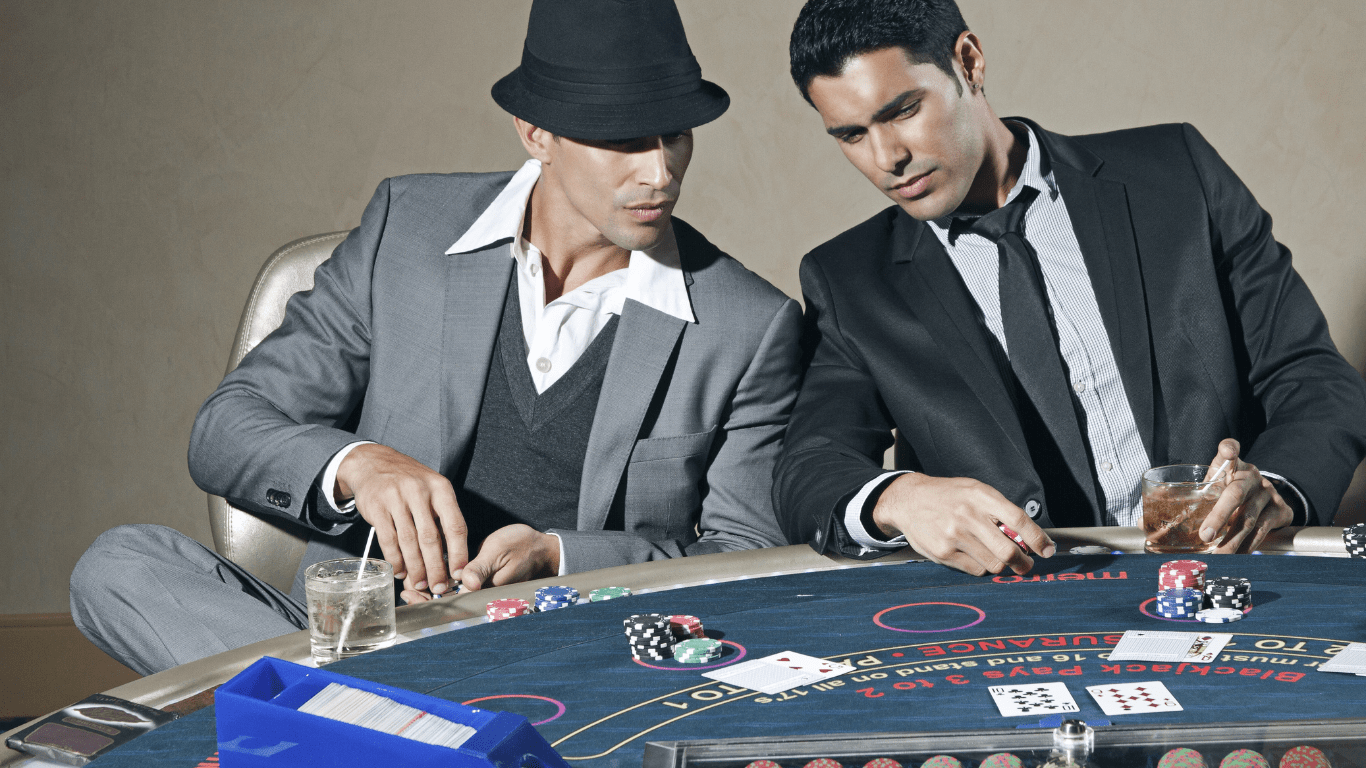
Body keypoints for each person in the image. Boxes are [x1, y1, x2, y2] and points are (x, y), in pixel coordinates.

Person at [71, 0, 800, 675]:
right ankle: (374, 722)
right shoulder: (406, 229)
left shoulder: (747, 324)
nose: (660, 171)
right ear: (535, 132)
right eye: (623, 140)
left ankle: (351, 730)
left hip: (566, 663)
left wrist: (562, 556)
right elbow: (225, 429)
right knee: (120, 563)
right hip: (353, 645)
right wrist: (360, 464)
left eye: (676, 135)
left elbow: (748, 559)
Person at [773, 0, 1366, 577]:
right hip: (1017, 619)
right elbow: (809, 467)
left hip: (1220, 579)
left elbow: (1312, 375)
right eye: (851, 135)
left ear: (970, 62)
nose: (887, 158)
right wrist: (898, 499)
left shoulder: (1176, 178)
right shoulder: (850, 280)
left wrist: (1278, 488)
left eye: (903, 111)